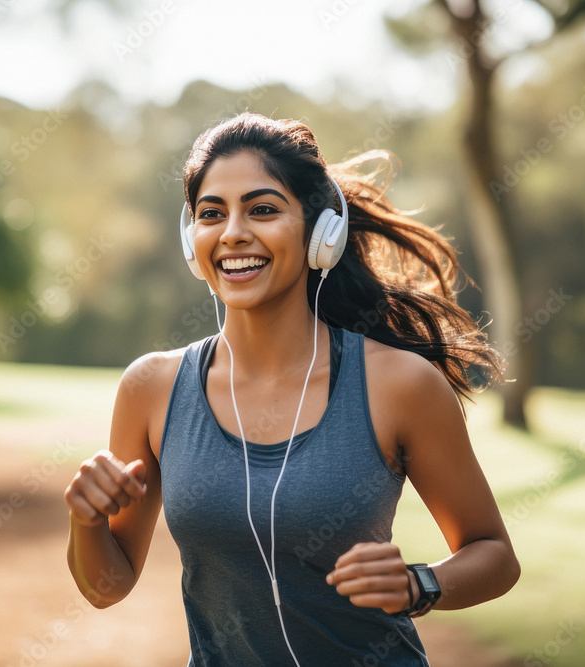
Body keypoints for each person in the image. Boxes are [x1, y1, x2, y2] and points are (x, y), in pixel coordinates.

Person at [64, 112, 520, 666]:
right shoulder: (151, 388)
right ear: (193, 242)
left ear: (320, 234)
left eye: (262, 209)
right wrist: (86, 522)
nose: (233, 232)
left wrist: (419, 583)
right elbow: (106, 586)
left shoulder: (398, 385)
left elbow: (494, 554)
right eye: (212, 214)